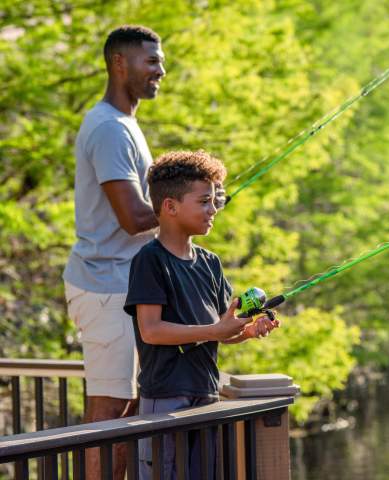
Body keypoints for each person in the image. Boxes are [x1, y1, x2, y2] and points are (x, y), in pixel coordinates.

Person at [123, 150, 279, 479]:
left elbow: (222, 328)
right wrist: (214, 330)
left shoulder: (210, 263)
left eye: (214, 201)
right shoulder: (149, 261)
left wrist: (248, 331)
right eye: (204, 201)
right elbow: (151, 330)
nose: (213, 210)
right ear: (170, 206)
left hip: (206, 395)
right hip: (164, 398)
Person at [63, 25, 172, 479]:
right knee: (109, 408)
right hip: (105, 286)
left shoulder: (125, 123)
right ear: (119, 63)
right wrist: (181, 208)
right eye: (152, 61)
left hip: (120, 286)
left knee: (126, 403)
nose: (161, 71)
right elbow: (132, 217)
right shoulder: (109, 128)